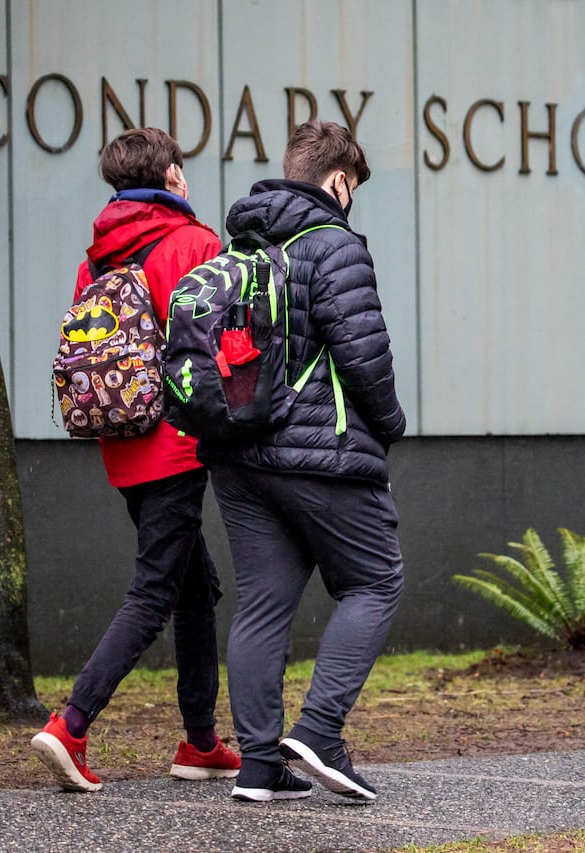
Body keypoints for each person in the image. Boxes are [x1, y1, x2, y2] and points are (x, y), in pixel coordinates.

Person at [31, 127, 240, 792]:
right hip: (175, 441)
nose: (187, 176)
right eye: (182, 166)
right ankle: (71, 722)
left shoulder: (95, 258)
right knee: (155, 590)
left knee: (194, 584)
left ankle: (200, 741)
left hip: (119, 442)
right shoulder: (196, 242)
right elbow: (224, 340)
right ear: (170, 175)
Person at [204, 121, 406, 803]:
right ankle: (319, 731)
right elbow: (364, 355)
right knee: (376, 580)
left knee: (262, 602)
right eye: (355, 188)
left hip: (236, 455)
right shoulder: (334, 245)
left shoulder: (244, 243)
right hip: (320, 453)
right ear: (339, 181)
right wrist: (393, 423)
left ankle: (260, 765)